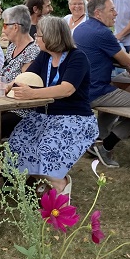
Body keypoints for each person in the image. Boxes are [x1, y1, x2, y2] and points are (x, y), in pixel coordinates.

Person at [7, 16, 97, 196]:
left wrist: (33, 94)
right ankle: (42, 184)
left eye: (39, 35)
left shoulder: (77, 57)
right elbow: (27, 78)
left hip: (73, 117)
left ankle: (59, 186)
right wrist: (9, 86)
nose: (35, 38)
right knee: (16, 144)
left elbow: (66, 90)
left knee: (46, 149)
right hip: (43, 116)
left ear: (51, 37)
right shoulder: (44, 56)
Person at [74, 0, 130, 168]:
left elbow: (117, 57)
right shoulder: (103, 33)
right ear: (98, 13)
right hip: (97, 91)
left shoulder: (80, 29)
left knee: (119, 99)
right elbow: (125, 60)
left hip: (80, 90)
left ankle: (97, 139)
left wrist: (127, 60)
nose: (116, 13)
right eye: (112, 10)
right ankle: (106, 146)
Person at [0, 5, 41, 137]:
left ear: (15, 27)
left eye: (5, 25)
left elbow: (23, 82)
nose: (3, 30)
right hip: (3, 104)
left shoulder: (32, 50)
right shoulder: (12, 47)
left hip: (20, 109)